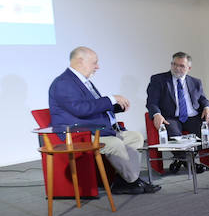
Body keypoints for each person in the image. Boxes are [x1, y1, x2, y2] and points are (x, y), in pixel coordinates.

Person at [48, 45, 159, 195]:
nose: (98, 67)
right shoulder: (64, 83)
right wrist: (110, 99)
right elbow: (80, 109)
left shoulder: (82, 81)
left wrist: (116, 106)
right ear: (80, 61)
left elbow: (93, 107)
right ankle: (132, 181)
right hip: (79, 134)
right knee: (115, 144)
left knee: (135, 137)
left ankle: (124, 180)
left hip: (98, 130)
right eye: (94, 62)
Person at [145, 51, 209, 173]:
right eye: (174, 64)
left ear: (189, 68)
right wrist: (156, 114)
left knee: (204, 133)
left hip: (192, 116)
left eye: (181, 66)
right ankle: (189, 162)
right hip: (171, 117)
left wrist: (207, 107)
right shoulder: (158, 79)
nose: (177, 68)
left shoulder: (195, 82)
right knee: (175, 136)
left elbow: (203, 99)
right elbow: (151, 101)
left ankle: (180, 159)